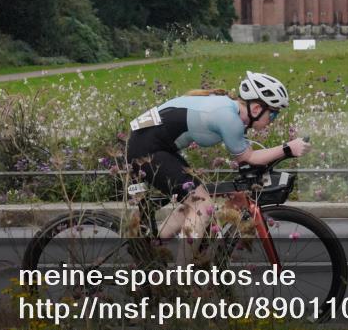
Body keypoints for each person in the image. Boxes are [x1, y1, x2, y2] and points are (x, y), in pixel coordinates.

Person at [124, 71, 311, 241]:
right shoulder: (228, 118)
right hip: (147, 150)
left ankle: (157, 245)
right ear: (256, 109)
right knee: (202, 205)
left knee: (194, 199)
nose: (272, 121)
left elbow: (247, 157)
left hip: (153, 145)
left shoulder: (230, 109)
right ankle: (183, 276)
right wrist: (287, 148)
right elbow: (248, 158)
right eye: (273, 115)